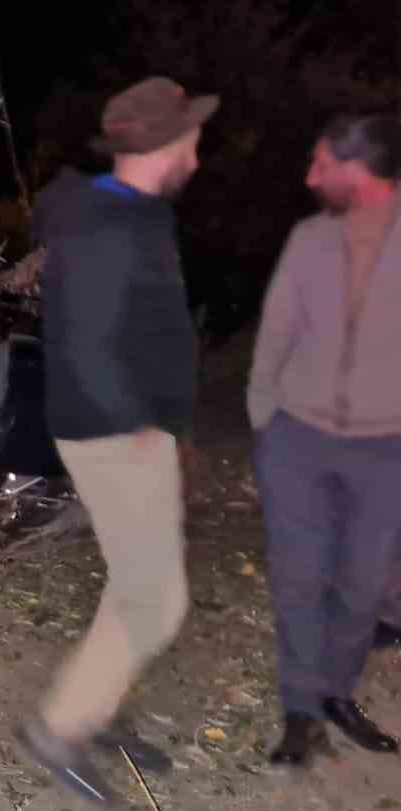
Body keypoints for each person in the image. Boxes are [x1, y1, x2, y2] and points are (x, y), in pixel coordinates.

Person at [14, 76, 218, 806]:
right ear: (166, 144)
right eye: (192, 134)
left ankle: (94, 709)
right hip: (114, 432)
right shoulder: (108, 224)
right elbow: (90, 342)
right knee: (155, 600)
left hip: (131, 426)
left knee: (136, 585)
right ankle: (58, 728)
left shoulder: (131, 213)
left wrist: (173, 425)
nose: (200, 146)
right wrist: (136, 429)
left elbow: (147, 328)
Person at [246, 110, 401, 766]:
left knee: (362, 585)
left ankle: (337, 691)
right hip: (298, 440)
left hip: (386, 448)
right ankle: (301, 711)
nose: (310, 177)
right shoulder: (309, 237)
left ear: (358, 170)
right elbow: (277, 327)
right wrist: (264, 416)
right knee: (299, 580)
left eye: (321, 165)